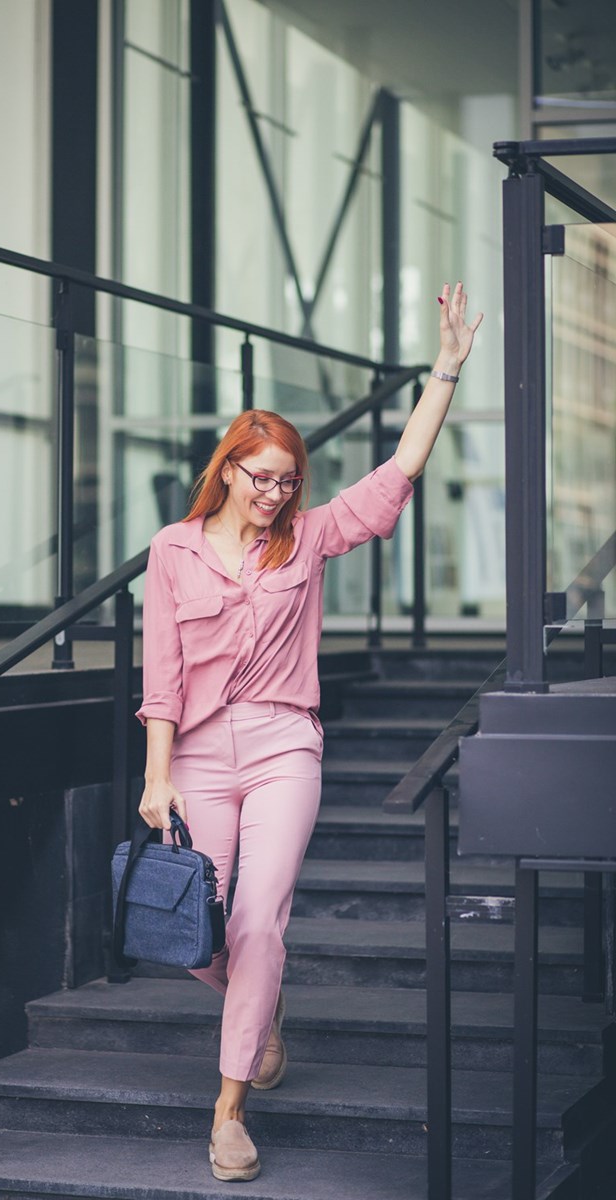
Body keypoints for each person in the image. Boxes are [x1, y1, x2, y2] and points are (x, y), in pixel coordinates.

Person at [136, 282, 483, 1182]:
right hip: (200, 756)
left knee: (260, 917)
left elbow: (396, 474)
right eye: (263, 478)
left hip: (287, 744)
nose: (277, 494)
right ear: (229, 469)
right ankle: (265, 1009)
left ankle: (228, 1112)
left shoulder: (309, 538)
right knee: (201, 936)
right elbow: (162, 674)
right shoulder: (172, 551)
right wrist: (156, 774)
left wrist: (443, 370)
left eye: (290, 481)